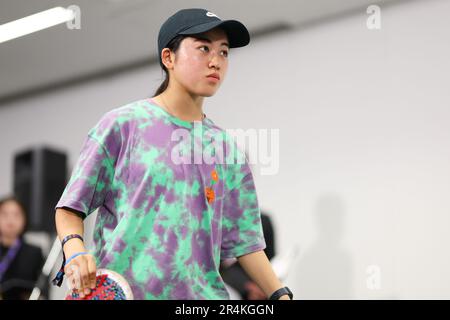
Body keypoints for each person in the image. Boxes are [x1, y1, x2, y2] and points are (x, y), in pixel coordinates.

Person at [53, 8, 293, 300]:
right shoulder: (123, 125)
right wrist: (74, 248)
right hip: (126, 293)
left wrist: (280, 294)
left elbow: (246, 243)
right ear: (169, 58)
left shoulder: (226, 149)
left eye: (224, 52)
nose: (216, 61)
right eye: (203, 48)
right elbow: (70, 207)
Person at [0, 196, 44, 300]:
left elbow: (42, 290)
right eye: (4, 214)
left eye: (16, 215)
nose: (10, 220)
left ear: (24, 219)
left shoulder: (34, 253)